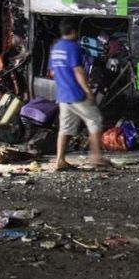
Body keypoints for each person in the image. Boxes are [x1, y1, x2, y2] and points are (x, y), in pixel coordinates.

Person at [48, 19, 111, 172]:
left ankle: (60, 161)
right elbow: (78, 71)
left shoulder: (56, 48)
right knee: (95, 120)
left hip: (63, 95)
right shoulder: (73, 47)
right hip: (76, 94)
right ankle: (96, 157)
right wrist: (88, 91)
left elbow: (52, 72)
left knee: (65, 128)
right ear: (74, 32)